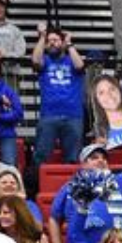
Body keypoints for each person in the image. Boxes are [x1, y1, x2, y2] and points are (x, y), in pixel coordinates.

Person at [32, 28, 87, 168]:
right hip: (49, 115)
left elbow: (80, 66)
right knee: (41, 155)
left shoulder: (72, 60)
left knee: (73, 157)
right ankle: (39, 186)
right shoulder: (45, 61)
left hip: (73, 116)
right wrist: (42, 37)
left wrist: (69, 44)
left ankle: (73, 188)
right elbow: (36, 61)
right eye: (49, 41)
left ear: (62, 43)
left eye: (55, 40)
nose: (52, 43)